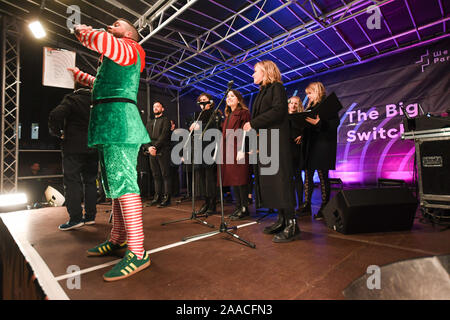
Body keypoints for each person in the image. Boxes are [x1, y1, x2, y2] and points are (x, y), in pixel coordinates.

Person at [68, 19, 151, 281]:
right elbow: (106, 86)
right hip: (112, 126)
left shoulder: (132, 47)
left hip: (120, 126)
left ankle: (138, 252)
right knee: (115, 186)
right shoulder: (117, 55)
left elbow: (102, 41)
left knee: (124, 185)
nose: (110, 25)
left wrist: (81, 30)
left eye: (116, 24)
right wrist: (83, 77)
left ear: (128, 33)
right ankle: (118, 239)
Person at [243, 60, 300, 243]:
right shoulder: (261, 91)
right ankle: (282, 219)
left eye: (255, 71)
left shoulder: (277, 87)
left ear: (266, 72)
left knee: (281, 181)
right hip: (267, 141)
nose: (253, 75)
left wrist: (253, 124)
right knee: (273, 183)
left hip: (277, 141)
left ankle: (292, 223)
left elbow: (278, 111)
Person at [48, 86, 99, 231]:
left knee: (72, 182)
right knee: (90, 182)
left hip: (73, 147)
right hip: (93, 146)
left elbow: (55, 115)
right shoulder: (97, 101)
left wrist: (58, 133)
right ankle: (90, 217)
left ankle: (76, 218)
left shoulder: (72, 99)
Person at [300, 82, 339, 220]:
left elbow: (335, 125)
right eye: (307, 94)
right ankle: (306, 205)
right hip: (311, 146)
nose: (308, 97)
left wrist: (319, 123)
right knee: (308, 176)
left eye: (310, 93)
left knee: (323, 177)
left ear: (317, 91)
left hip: (323, 147)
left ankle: (325, 206)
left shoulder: (328, 106)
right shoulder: (309, 107)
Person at [219, 89, 251, 220]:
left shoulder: (244, 113)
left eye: (232, 96)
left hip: (238, 149)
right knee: (233, 180)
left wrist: (242, 150)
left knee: (240, 179)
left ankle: (244, 208)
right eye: (227, 96)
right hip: (228, 151)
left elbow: (247, 133)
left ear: (238, 99)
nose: (229, 98)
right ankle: (238, 207)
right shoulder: (227, 116)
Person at [189, 93, 222, 216]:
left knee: (209, 179)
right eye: (200, 100)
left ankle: (212, 204)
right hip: (199, 149)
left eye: (205, 100)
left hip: (210, 148)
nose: (202, 102)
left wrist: (199, 126)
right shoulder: (198, 115)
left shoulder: (215, 113)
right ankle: (206, 202)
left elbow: (215, 128)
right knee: (201, 179)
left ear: (210, 102)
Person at [143, 102, 172, 208]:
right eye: (154, 106)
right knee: (156, 175)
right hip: (152, 151)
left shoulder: (166, 121)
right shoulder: (149, 123)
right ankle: (157, 197)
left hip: (162, 151)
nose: (155, 108)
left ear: (162, 109)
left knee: (165, 175)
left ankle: (167, 198)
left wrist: (154, 147)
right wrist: (149, 147)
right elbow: (144, 137)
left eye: (158, 106)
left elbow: (164, 135)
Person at [287, 96, 305, 214]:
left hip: (297, 150)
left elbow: (307, 131)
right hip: (285, 150)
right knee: (287, 179)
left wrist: (303, 136)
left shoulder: (301, 118)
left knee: (298, 177)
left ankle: (300, 203)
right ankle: (289, 204)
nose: (293, 105)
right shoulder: (283, 117)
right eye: (291, 103)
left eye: (296, 103)